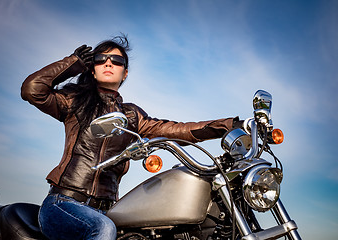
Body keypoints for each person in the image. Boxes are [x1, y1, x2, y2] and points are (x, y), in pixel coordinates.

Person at [21, 35, 242, 240]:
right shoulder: (75, 102)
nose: (108, 63)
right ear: (92, 69)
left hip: (109, 209)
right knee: (103, 228)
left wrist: (228, 126)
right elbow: (33, 89)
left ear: (124, 73)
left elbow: (176, 130)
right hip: (64, 204)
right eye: (100, 59)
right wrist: (73, 63)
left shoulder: (131, 115)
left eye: (116, 60)